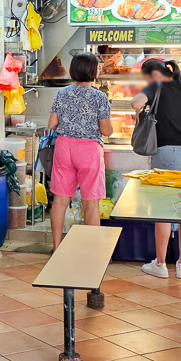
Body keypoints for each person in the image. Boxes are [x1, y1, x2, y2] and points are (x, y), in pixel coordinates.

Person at [131, 58, 181, 279]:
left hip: (167, 152)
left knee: (163, 209)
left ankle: (160, 264)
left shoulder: (155, 86)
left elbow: (134, 103)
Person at [48, 52, 113, 250]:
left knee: (60, 200)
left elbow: (52, 123)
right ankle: (90, 249)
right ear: (93, 71)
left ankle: (57, 246)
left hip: (64, 147)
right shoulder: (99, 97)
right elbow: (106, 130)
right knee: (91, 202)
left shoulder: (62, 93)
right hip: (88, 150)